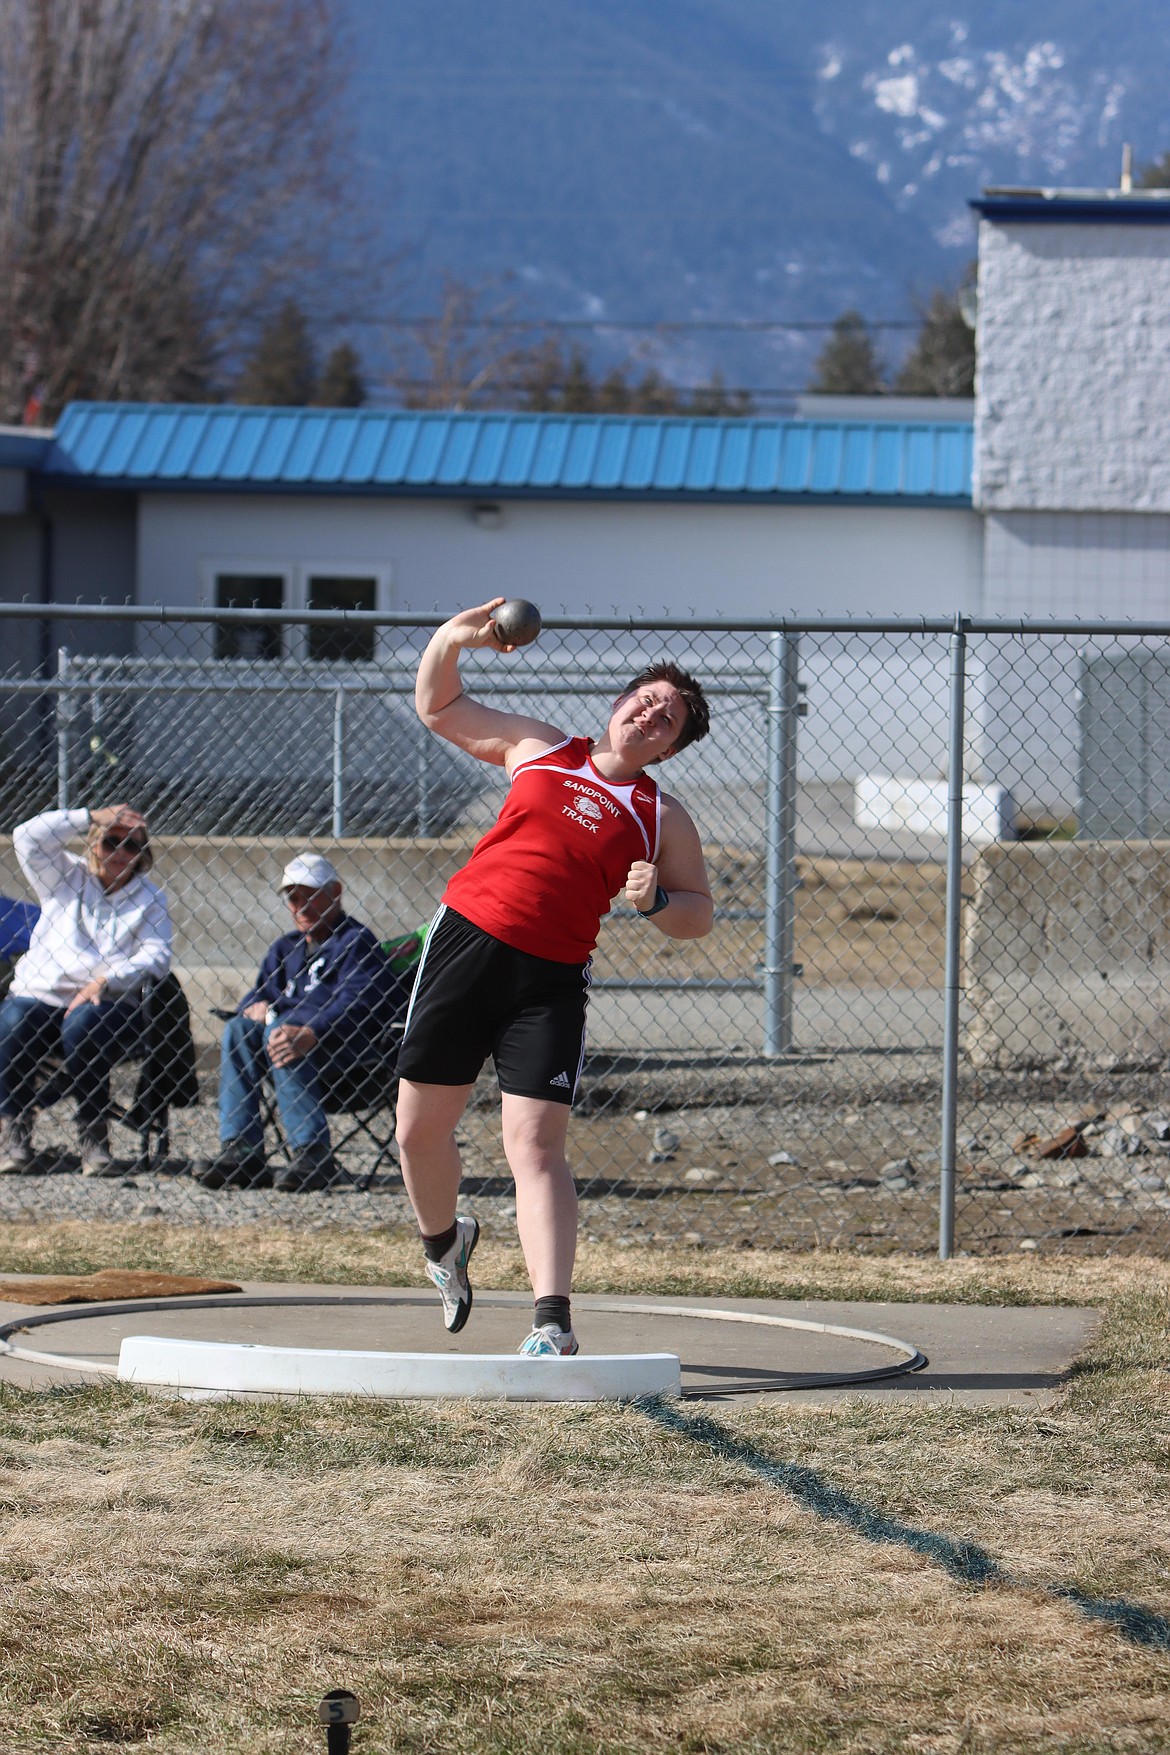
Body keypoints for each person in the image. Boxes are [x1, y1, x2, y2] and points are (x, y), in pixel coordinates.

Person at [396, 598, 714, 1357]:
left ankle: (552, 1322)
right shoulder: (540, 747)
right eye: (645, 699)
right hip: (466, 943)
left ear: (668, 748)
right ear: (618, 703)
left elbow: (699, 912)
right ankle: (445, 1245)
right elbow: (439, 705)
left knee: (534, 1147)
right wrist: (452, 637)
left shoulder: (659, 816)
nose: (649, 713)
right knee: (417, 1134)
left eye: (666, 719)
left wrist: (657, 898)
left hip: (548, 980)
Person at [194, 854, 404, 1193]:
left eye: (311, 894)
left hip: (345, 1056)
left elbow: (362, 1004)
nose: (301, 905)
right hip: (282, 1046)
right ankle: (242, 1152)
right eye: (293, 897)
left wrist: (312, 1032)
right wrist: (255, 1006)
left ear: (335, 892)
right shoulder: (285, 949)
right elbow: (257, 994)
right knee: (238, 1028)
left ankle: (314, 1154)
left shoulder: (356, 942)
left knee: (284, 1035)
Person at [0, 805, 171, 1177]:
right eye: (112, 841)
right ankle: (15, 1135)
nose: (121, 853)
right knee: (13, 1019)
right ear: (94, 843)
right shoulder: (64, 876)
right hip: (45, 996)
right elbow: (26, 836)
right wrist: (90, 814)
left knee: (84, 1023)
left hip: (107, 1001)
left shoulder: (150, 898)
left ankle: (93, 1138)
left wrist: (106, 980)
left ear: (143, 856)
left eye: (131, 846)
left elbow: (157, 957)